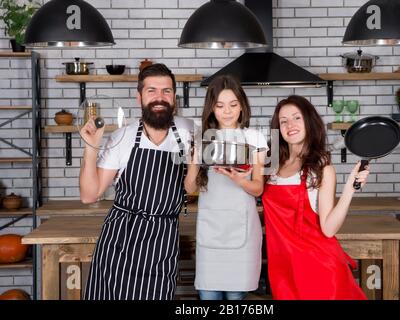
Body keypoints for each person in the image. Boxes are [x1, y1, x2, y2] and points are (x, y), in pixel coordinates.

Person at [79, 63, 195, 300]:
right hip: (120, 240)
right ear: (139, 96)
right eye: (152, 91)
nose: (159, 98)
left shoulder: (188, 131)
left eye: (166, 91)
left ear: (174, 97)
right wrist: (91, 147)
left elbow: (191, 187)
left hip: (163, 239)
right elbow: (89, 195)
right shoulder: (123, 137)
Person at [262, 95, 369, 300]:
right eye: (283, 121)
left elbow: (328, 229)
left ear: (309, 121)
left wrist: (349, 189)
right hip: (283, 271)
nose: (290, 125)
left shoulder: (320, 168)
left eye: (296, 118)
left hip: (319, 271)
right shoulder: (272, 165)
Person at [184, 75, 267, 300]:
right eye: (220, 106)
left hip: (242, 230)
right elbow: (189, 187)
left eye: (233, 105)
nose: (227, 111)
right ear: (211, 108)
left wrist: (239, 180)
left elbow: (258, 189)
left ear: (242, 106)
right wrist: (194, 160)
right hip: (211, 232)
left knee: (235, 298)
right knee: (208, 295)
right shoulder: (202, 140)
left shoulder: (254, 138)